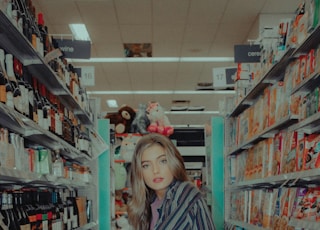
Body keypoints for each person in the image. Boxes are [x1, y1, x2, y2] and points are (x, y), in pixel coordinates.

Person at [127, 133, 215, 230]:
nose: (155, 170)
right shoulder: (151, 202)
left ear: (174, 162)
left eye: (163, 161)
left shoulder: (185, 193)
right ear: (139, 172)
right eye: (146, 165)